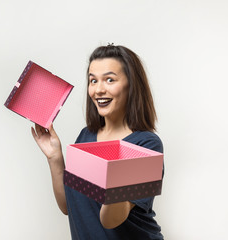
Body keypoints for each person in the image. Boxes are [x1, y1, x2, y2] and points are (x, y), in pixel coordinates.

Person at [31, 44, 164, 240]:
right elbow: (70, 207)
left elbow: (111, 220)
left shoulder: (147, 144)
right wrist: (55, 157)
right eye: (93, 81)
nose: (98, 90)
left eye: (110, 80)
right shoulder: (86, 136)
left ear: (131, 84)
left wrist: (114, 177)